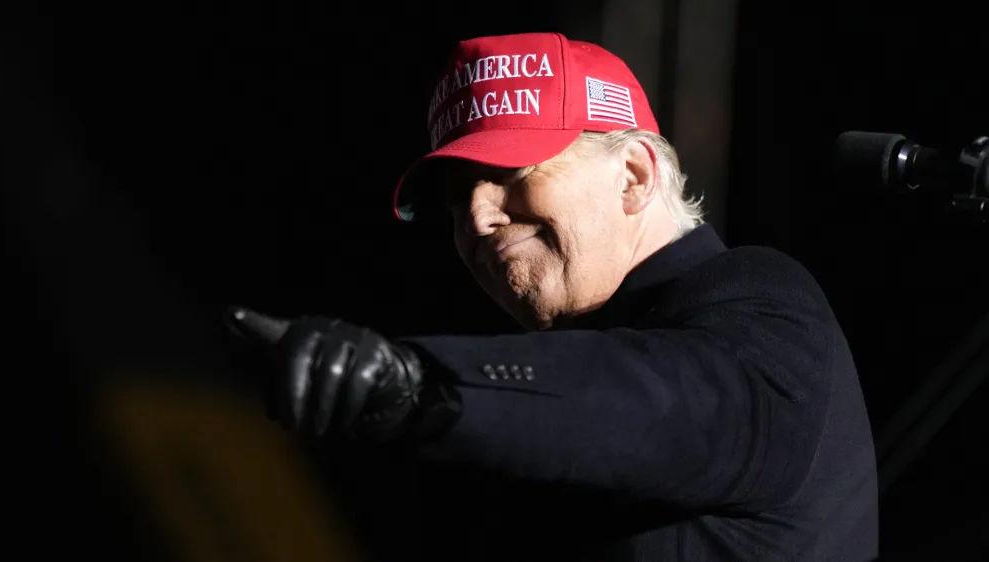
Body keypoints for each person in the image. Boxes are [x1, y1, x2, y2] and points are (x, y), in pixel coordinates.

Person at [226, 32, 879, 562]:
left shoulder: (760, 300)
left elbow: (661, 405)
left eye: (509, 171)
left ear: (633, 176)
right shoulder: (542, 403)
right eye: (457, 199)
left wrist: (420, 383)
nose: (477, 216)